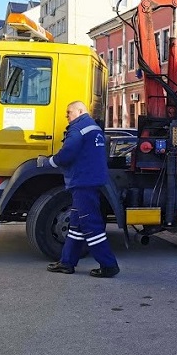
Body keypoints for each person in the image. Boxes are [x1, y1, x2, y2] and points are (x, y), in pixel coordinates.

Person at [39, 101, 119, 278]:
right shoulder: (93, 128)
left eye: (69, 112)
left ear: (80, 111)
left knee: (91, 225)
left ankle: (108, 265)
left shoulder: (78, 128)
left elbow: (68, 153)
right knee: (76, 225)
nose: (66, 116)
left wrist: (49, 162)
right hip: (90, 180)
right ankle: (67, 262)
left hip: (82, 182)